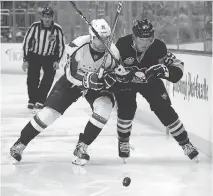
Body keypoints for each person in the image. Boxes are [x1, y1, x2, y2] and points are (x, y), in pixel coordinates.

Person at [10, 18, 127, 166]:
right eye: (99, 38)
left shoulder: (114, 53)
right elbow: (70, 74)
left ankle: (82, 146)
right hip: (72, 83)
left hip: (96, 86)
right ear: (91, 37)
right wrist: (87, 80)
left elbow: (117, 76)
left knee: (105, 107)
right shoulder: (77, 46)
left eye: (106, 38)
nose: (103, 42)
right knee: (48, 115)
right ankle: (20, 143)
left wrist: (115, 77)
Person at [113, 19, 199, 162]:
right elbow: (110, 67)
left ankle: (185, 143)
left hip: (150, 83)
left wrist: (166, 72)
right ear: (134, 37)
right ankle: (123, 141)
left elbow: (178, 66)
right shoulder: (121, 44)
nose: (145, 43)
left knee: (165, 110)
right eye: (142, 39)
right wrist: (119, 73)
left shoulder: (159, 47)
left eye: (149, 39)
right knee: (127, 108)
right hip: (126, 82)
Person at [22, 6, 65, 110]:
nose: (47, 19)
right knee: (32, 79)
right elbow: (26, 42)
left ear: (52, 18)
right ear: (42, 17)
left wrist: (57, 60)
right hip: (34, 56)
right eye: (45, 17)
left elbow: (61, 46)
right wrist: (25, 59)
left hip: (49, 57)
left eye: (49, 17)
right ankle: (32, 100)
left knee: (48, 79)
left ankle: (41, 100)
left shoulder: (57, 29)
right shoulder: (35, 27)